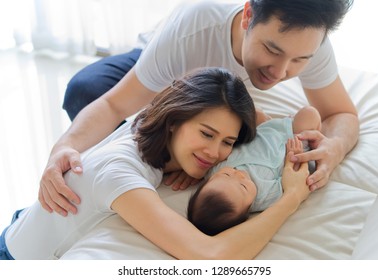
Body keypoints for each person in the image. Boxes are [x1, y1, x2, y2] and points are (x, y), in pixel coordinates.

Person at [39, 0, 359, 217]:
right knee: (86, 90)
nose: (280, 72)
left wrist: (335, 147)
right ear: (247, 16)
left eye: (299, 60)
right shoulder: (193, 31)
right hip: (164, 65)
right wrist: (64, 147)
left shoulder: (310, 42)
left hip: (214, 96)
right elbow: (113, 104)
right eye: (271, 50)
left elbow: (341, 114)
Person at [1, 68, 310, 260]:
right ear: (176, 120)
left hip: (26, 221)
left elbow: (258, 120)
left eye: (227, 142)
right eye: (206, 134)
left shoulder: (152, 125)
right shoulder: (119, 172)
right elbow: (208, 255)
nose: (215, 152)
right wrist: (292, 198)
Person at [187, 106, 321, 235]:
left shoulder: (213, 172)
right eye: (243, 186)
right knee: (310, 114)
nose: (238, 175)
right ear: (247, 210)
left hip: (260, 132)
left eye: (226, 174)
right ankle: (298, 128)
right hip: (290, 140)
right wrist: (293, 158)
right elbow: (293, 180)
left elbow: (205, 164)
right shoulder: (265, 196)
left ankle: (270, 121)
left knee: (254, 112)